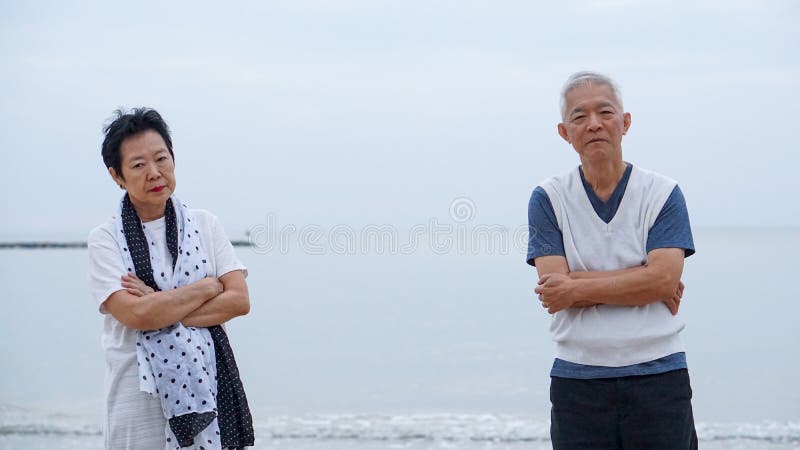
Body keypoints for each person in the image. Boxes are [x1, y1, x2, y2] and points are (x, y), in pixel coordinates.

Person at [527, 71, 698, 449]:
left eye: (605, 112)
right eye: (579, 116)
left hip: (659, 377)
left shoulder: (663, 194)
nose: (593, 124)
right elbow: (554, 292)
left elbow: (663, 283)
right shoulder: (548, 198)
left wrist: (578, 285)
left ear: (625, 122)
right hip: (578, 381)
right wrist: (642, 279)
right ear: (564, 132)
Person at [88, 108, 255, 449]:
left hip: (209, 386)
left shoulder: (205, 224)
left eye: (161, 158)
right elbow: (137, 316)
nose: (154, 172)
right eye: (138, 165)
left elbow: (239, 300)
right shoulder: (106, 239)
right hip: (138, 398)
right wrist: (207, 288)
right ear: (116, 176)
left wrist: (158, 302)